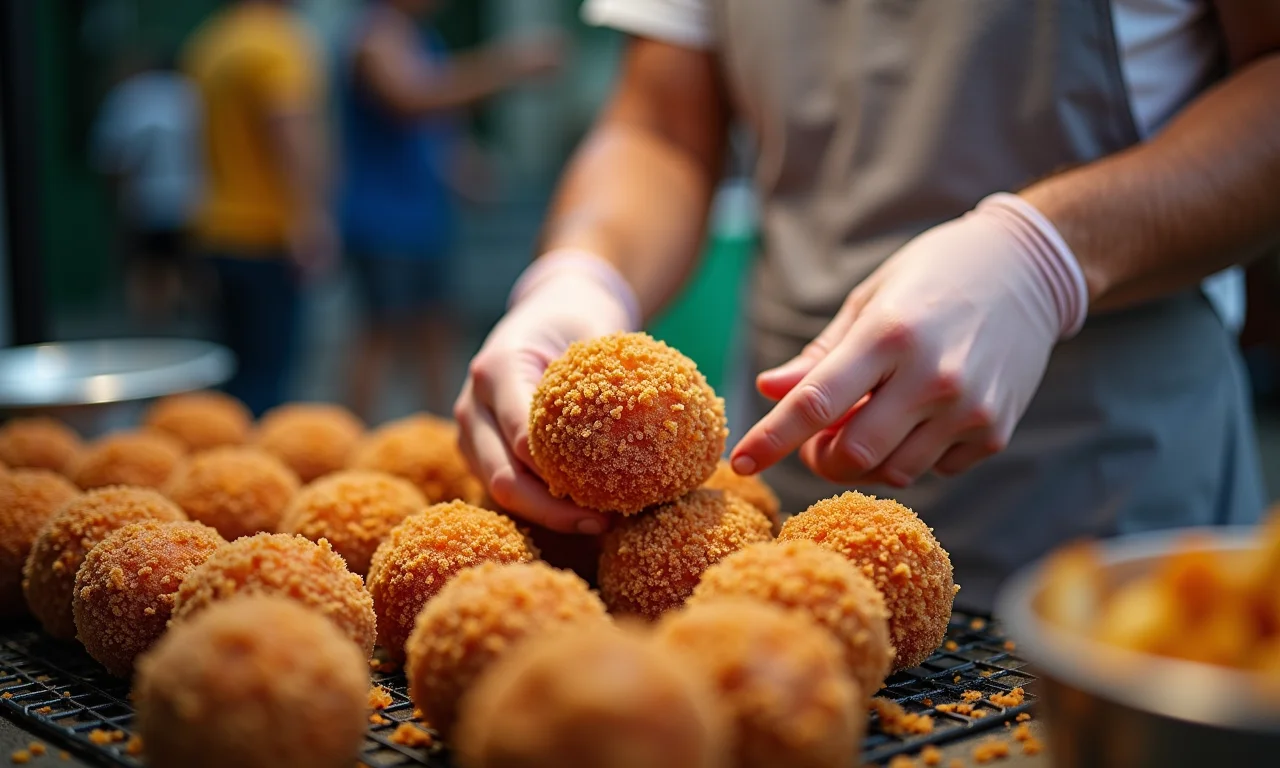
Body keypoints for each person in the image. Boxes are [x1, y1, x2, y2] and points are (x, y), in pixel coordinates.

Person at [456, 0, 1280, 610]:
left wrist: (1049, 255)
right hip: (785, 473)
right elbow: (662, 124)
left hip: (1113, 492)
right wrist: (582, 273)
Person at [339, 0, 561, 421]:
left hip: (425, 221)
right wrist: (507, 65)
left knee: (437, 330)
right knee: (381, 334)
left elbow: (435, 129)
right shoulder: (374, 36)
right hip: (382, 222)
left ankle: (444, 430)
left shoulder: (424, 40)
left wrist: (465, 168)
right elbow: (413, 96)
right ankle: (353, 434)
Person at [182, 0, 334, 416]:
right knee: (268, 379)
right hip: (266, 233)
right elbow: (290, 132)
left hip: (215, 228)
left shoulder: (212, 41)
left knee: (234, 374)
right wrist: (311, 217)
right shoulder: (276, 42)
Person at [90, 55, 203, 327]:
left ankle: (156, 326)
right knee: (184, 267)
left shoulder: (128, 97)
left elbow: (112, 158)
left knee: (150, 269)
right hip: (191, 199)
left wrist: (117, 200)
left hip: (149, 200)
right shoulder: (191, 92)